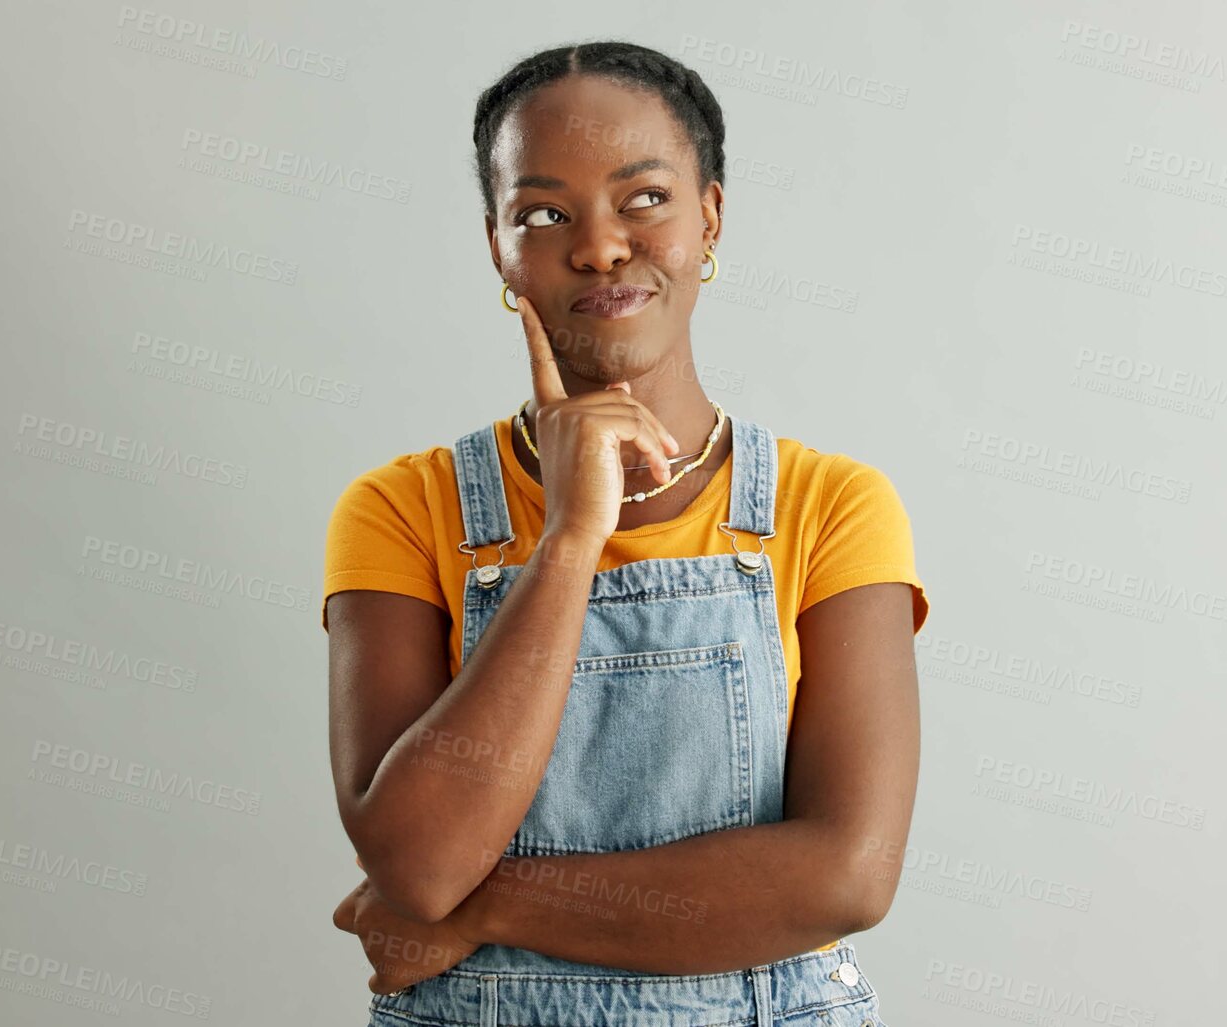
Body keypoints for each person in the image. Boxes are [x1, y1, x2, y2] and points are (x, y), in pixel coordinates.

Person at [324, 40, 928, 1027]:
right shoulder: (404, 507)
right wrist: (569, 537)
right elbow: (419, 862)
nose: (599, 246)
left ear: (711, 215)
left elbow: (846, 876)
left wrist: (488, 909)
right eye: (545, 213)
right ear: (497, 246)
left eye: (643, 198)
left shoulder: (835, 505)